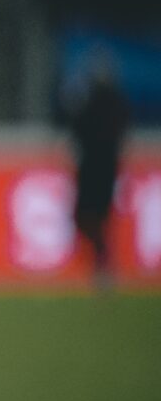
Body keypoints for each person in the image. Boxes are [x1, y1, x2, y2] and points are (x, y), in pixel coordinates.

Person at [67, 54, 129, 287]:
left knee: (88, 217)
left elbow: (78, 129)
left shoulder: (92, 101)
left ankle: (102, 264)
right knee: (96, 217)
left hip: (93, 168)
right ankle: (102, 263)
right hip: (106, 168)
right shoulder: (115, 102)